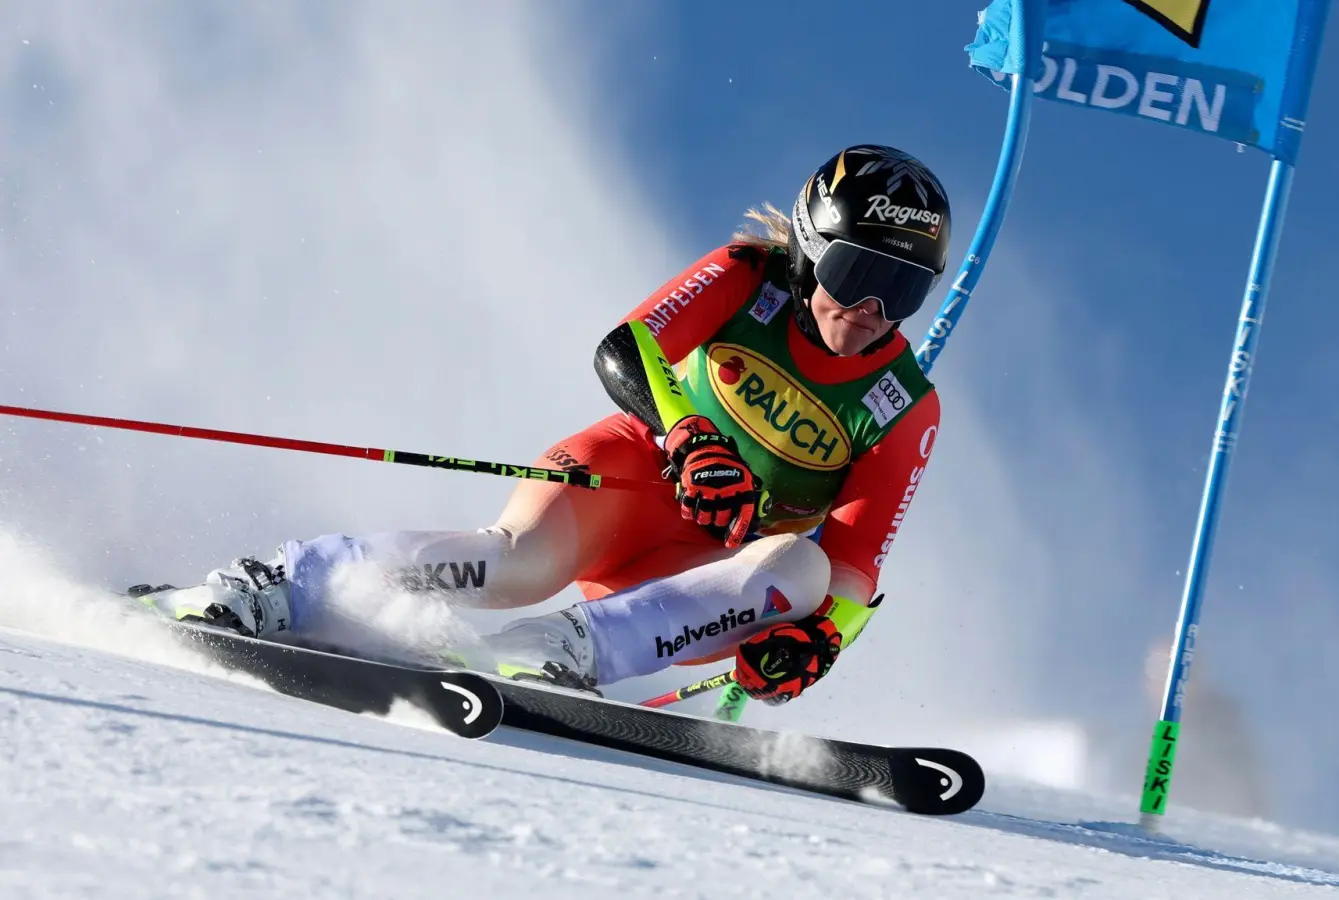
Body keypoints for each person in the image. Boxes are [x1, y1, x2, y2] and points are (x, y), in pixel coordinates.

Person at [137, 144, 951, 707]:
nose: (872, 308)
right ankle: (279, 589)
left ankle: (558, 652)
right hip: (627, 478)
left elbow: (855, 560)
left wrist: (821, 642)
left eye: (903, 290)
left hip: (701, 567)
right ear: (812, 247)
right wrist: (688, 437)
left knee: (803, 578)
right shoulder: (749, 276)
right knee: (515, 564)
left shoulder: (904, 403)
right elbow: (629, 344)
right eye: (856, 272)